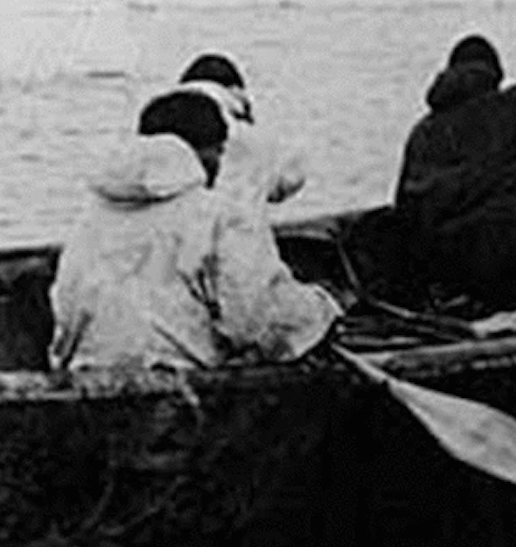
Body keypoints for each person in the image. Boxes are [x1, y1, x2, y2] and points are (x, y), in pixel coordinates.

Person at [48, 88, 342, 371]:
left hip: (89, 370)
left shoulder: (90, 219)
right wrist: (321, 311)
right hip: (181, 379)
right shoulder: (218, 215)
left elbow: (64, 325)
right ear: (201, 152)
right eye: (219, 151)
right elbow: (253, 321)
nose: (219, 164)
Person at [391, 34, 516, 312]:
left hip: (453, 271)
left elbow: (406, 211)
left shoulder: (422, 133)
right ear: (494, 75)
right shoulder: (512, 108)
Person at [175, 52, 306, 208]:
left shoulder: (157, 119)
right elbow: (290, 179)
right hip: (240, 228)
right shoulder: (249, 135)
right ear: (236, 89)